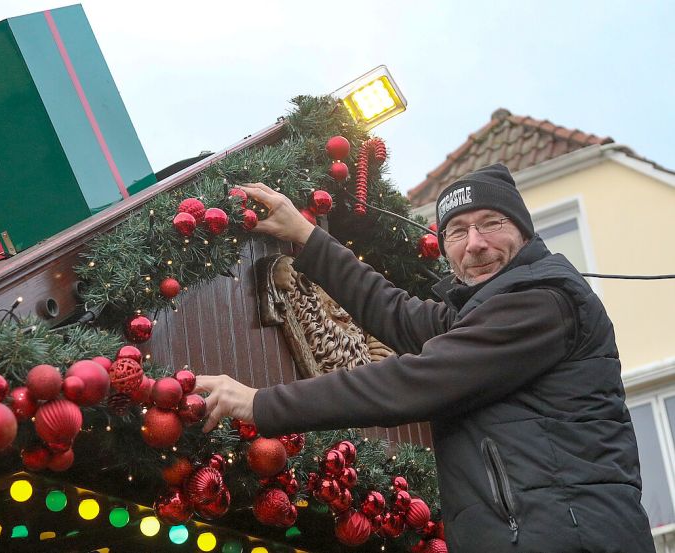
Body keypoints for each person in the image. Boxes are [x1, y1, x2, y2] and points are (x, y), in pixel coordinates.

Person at [194, 164, 653, 553]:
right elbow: (395, 313)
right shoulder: (481, 314)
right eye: (456, 231)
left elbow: (416, 381)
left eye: (491, 223)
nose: (474, 243)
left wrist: (259, 403)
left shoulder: (542, 302)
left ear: (524, 232)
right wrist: (306, 236)